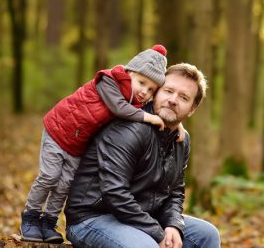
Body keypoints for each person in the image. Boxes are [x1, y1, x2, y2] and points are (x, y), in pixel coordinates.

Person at [21, 45, 186, 244]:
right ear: (129, 72)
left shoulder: (134, 99)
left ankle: (48, 222)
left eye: (151, 89)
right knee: (49, 177)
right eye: (141, 83)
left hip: (77, 143)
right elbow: (119, 108)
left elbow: (161, 110)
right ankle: (30, 216)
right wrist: (149, 118)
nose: (144, 92)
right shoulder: (109, 81)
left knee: (64, 184)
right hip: (59, 132)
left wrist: (176, 123)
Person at [65, 63, 221, 248]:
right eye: (168, 91)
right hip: (92, 217)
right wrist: (156, 231)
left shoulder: (181, 139)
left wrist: (173, 224)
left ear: (192, 109)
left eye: (183, 97)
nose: (172, 100)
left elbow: (175, 191)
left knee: (207, 235)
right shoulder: (130, 129)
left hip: (141, 216)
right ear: (155, 92)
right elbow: (115, 193)